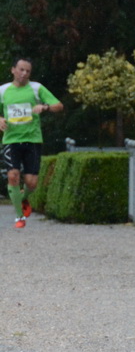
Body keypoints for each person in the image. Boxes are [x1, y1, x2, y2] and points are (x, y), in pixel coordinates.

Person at [3, 59, 63, 230]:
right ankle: (19, 217)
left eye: (28, 71)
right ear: (13, 70)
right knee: (13, 176)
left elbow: (59, 106)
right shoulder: (3, 90)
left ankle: (21, 198)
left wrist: (45, 107)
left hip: (33, 140)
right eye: (21, 69)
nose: (24, 74)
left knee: (31, 183)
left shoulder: (36, 88)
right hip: (11, 140)